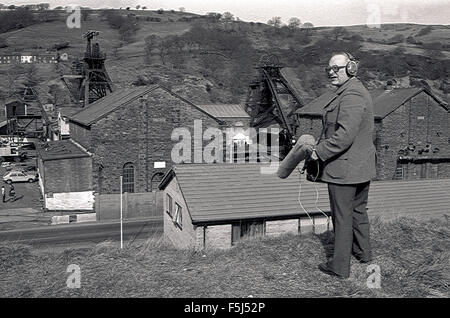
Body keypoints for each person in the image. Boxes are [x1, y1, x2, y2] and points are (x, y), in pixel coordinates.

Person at [307, 52, 377, 278]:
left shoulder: (352, 95)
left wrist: (319, 152)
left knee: (342, 217)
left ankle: (339, 267)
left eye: (336, 68)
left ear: (351, 69)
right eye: (329, 68)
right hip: (358, 167)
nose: (331, 72)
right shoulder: (351, 92)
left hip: (344, 169)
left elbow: (344, 136)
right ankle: (364, 254)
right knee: (357, 211)